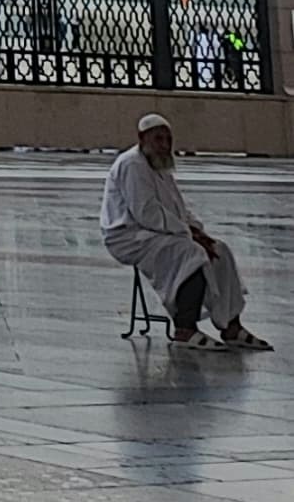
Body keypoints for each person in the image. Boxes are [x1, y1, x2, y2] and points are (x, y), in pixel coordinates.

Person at [101, 116, 269, 349]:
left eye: (168, 139)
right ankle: (185, 328)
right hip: (130, 236)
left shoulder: (160, 166)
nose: (164, 145)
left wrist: (198, 231)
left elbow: (178, 209)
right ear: (142, 139)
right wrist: (189, 234)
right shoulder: (132, 165)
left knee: (220, 250)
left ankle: (232, 326)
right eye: (158, 139)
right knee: (191, 254)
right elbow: (146, 213)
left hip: (160, 232)